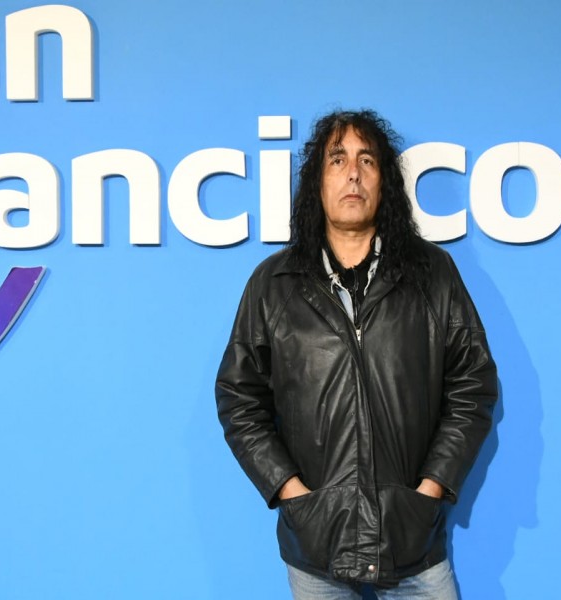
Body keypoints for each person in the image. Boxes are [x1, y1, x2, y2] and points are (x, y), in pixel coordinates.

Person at [215, 109, 498, 599]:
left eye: (367, 160)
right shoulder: (274, 284)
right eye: (337, 159)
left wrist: (430, 490)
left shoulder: (433, 275)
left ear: (384, 182)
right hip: (315, 547)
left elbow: (473, 386)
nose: (353, 173)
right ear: (317, 183)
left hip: (413, 542)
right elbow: (239, 399)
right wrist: (294, 495)